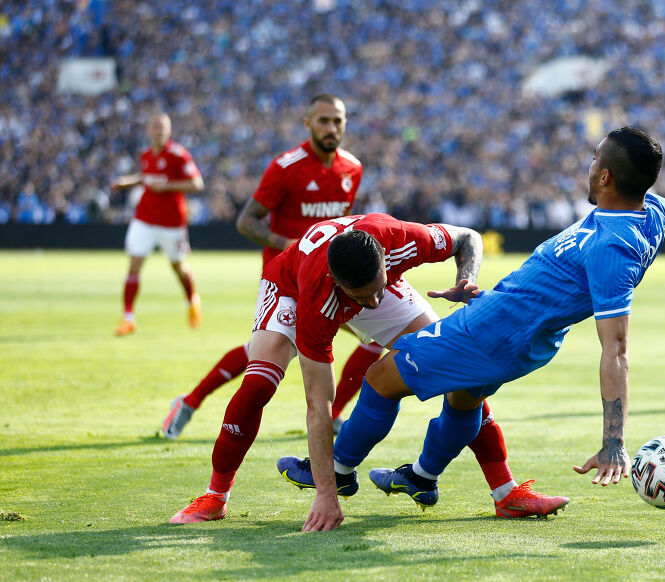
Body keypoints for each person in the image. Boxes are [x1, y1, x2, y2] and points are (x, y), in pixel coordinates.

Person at [323, 127, 665, 521]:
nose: (589, 165)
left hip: (493, 333)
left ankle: (337, 472)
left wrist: (614, 440)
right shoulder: (653, 213)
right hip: (508, 327)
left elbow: (616, 348)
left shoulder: (613, 247)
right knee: (465, 400)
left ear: (605, 176)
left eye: (595, 159)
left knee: (381, 377)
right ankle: (422, 477)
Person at [169, 213, 569, 529]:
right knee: (258, 384)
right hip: (290, 285)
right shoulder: (318, 302)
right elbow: (318, 406)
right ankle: (216, 497)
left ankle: (506, 493)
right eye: (363, 298)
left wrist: (466, 278)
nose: (374, 303)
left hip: (361, 276)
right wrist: (325, 495)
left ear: (384, 259)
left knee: (457, 367)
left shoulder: (398, 239)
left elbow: (468, 238)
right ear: (339, 284)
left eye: (379, 289)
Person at [162, 94, 372, 439]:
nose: (331, 128)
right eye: (323, 120)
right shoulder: (286, 167)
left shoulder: (352, 167)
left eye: (337, 121)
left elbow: (341, 221)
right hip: (287, 280)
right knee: (265, 356)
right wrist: (289, 244)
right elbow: (246, 221)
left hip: (328, 277)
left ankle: (333, 415)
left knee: (374, 338)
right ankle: (189, 401)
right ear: (308, 124)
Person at [110, 113, 205, 336]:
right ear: (148, 130)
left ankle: (192, 300)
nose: (159, 131)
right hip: (144, 219)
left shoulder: (178, 155)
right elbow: (147, 177)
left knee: (178, 266)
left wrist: (168, 186)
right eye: (155, 127)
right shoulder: (146, 154)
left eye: (162, 128)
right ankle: (128, 318)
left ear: (169, 131)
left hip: (171, 223)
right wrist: (127, 182)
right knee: (134, 265)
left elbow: (197, 184)